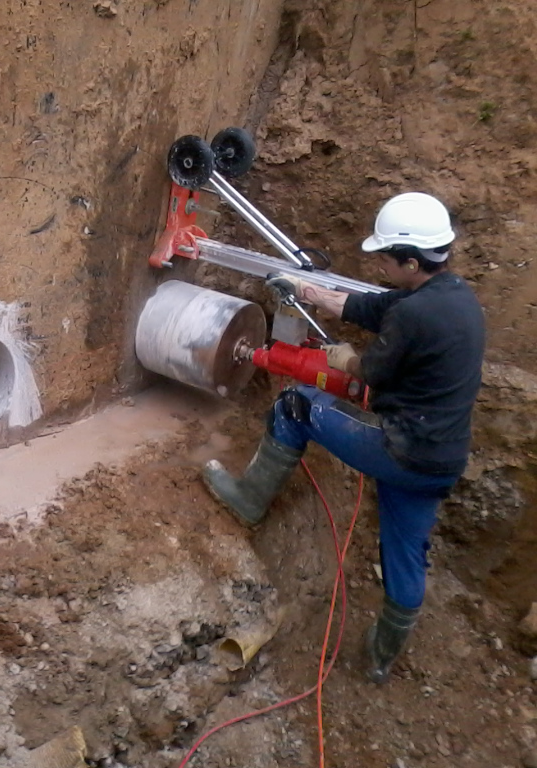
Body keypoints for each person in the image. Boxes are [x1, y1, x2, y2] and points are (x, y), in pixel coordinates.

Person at [201, 192, 486, 683]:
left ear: (411, 261)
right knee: (405, 546)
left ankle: (248, 500)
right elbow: (372, 306)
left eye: (387, 258)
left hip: (398, 445)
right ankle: (381, 657)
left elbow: (367, 373)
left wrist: (341, 359)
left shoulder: (415, 315)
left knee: (295, 405)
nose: (380, 264)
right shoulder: (454, 297)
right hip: (440, 459)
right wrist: (305, 290)